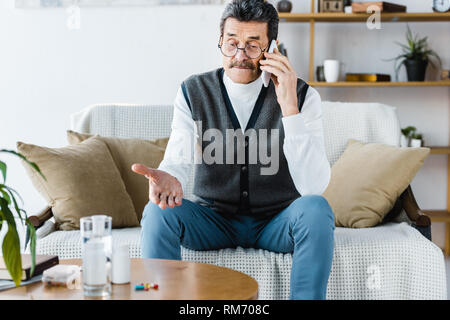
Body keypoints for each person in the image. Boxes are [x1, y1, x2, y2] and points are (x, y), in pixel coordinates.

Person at [132, 0, 335, 300]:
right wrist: (170, 176)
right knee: (157, 213)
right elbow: (179, 153)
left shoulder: (304, 96)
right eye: (232, 43)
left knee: (317, 210)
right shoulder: (193, 92)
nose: (240, 55)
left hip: (276, 222)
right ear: (220, 42)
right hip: (213, 220)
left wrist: (289, 108)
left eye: (253, 45)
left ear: (272, 48)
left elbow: (314, 187)